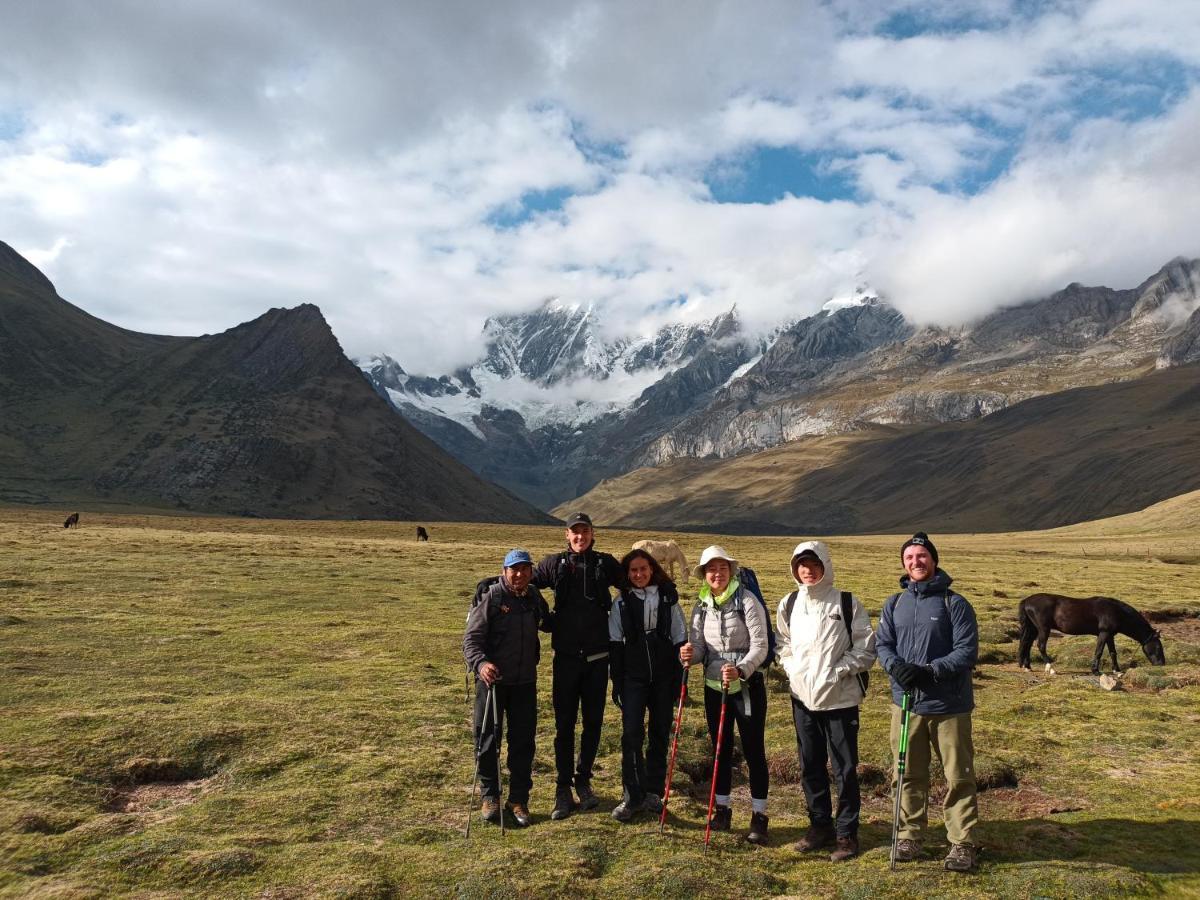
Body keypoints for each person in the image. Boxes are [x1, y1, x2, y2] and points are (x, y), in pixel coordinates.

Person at [875, 532, 981, 872]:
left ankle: (962, 843)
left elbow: (966, 651)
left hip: (949, 705)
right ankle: (908, 836)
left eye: (921, 556)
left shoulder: (955, 603)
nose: (915, 562)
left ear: (933, 560)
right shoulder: (894, 603)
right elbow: (883, 645)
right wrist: (897, 669)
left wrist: (930, 671)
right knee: (907, 773)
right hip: (905, 704)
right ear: (904, 564)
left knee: (958, 775)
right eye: (909, 558)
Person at [777, 541, 876, 861]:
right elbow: (783, 645)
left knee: (845, 769)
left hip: (840, 699)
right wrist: (792, 671)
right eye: (801, 565)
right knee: (810, 765)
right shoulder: (789, 604)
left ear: (825, 566)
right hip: (802, 698)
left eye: (813, 564)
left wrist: (838, 671)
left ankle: (847, 833)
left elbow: (865, 649)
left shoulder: (847, 603)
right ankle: (820, 826)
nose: (807, 570)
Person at [533, 511, 622, 820]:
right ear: (567, 535)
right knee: (564, 725)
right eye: (575, 532)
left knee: (593, 723)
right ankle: (562, 787)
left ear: (592, 533)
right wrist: (545, 618)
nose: (580, 536)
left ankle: (583, 781)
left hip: (598, 659)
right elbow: (525, 582)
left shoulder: (605, 563)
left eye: (584, 531)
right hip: (566, 659)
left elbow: (636, 582)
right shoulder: (553, 564)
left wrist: (665, 591)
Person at [680, 545, 771, 845]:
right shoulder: (701, 605)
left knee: (754, 748)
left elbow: (761, 645)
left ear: (731, 570)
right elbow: (700, 648)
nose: (717, 574)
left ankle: (759, 816)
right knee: (720, 749)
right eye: (711, 569)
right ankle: (722, 810)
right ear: (705, 575)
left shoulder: (747, 600)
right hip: (713, 687)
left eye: (722, 568)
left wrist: (742, 669)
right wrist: (688, 655)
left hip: (746, 686)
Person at [462, 549, 551, 827]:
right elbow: (471, 640)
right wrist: (481, 664)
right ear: (504, 571)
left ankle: (518, 799)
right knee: (487, 739)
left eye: (525, 569)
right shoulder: (491, 598)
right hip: (492, 682)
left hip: (525, 682)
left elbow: (549, 623)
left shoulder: (534, 598)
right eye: (514, 569)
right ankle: (490, 795)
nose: (520, 574)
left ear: (531, 572)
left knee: (523, 743)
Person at [608, 548, 688, 822]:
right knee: (631, 734)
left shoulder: (668, 599)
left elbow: (679, 637)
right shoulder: (620, 603)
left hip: (664, 675)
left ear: (652, 569)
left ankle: (654, 792)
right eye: (633, 570)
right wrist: (617, 682)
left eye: (643, 569)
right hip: (633, 676)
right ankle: (632, 796)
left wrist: (679, 679)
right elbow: (615, 644)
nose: (639, 574)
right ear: (627, 574)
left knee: (659, 731)